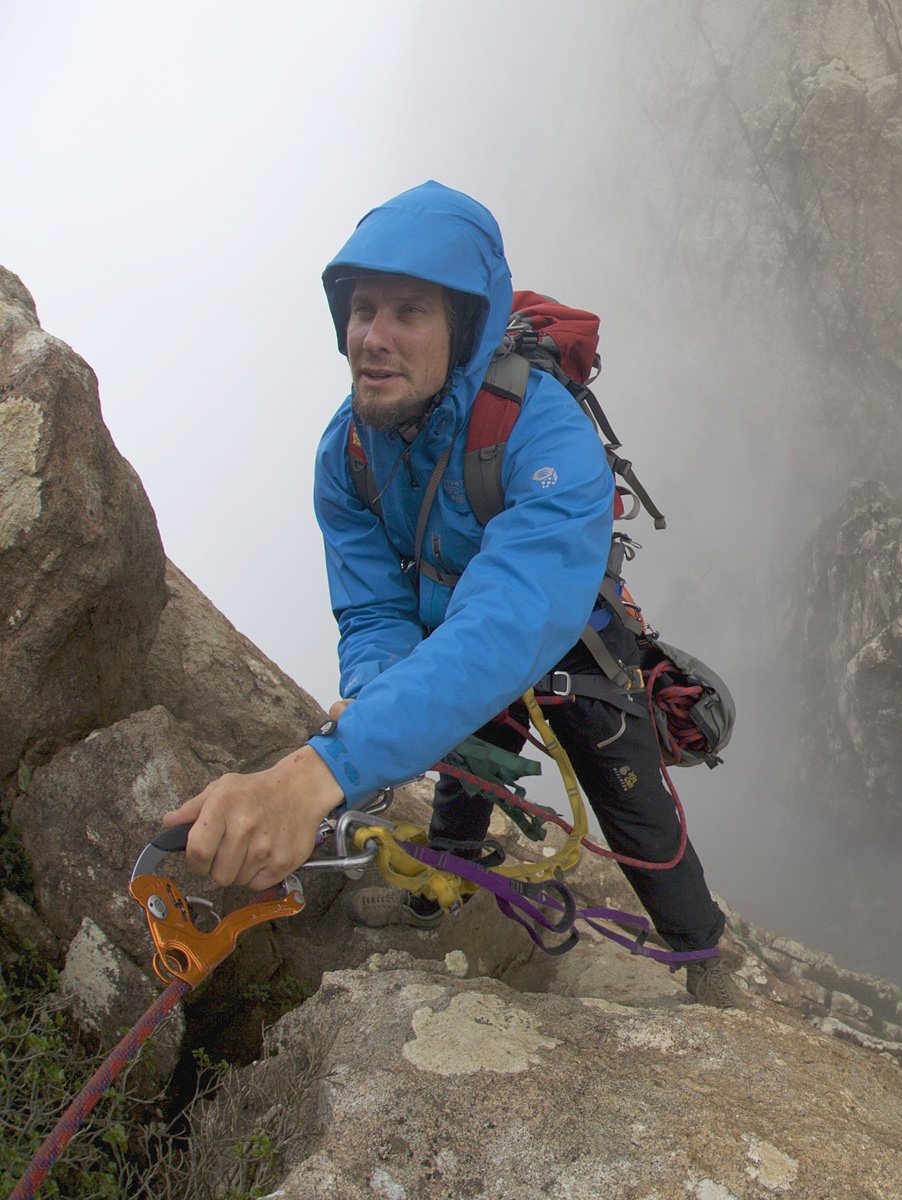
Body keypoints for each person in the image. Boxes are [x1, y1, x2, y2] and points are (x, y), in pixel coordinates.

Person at [163, 181, 738, 1006]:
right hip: (454, 634)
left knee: (632, 805)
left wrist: (320, 774)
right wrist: (375, 705)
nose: (373, 336)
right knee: (462, 778)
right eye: (361, 310)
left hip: (566, 638)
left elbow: (508, 624)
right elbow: (372, 610)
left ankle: (700, 957)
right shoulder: (348, 453)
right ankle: (442, 890)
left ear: (464, 328)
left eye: (409, 312)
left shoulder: (549, 441)